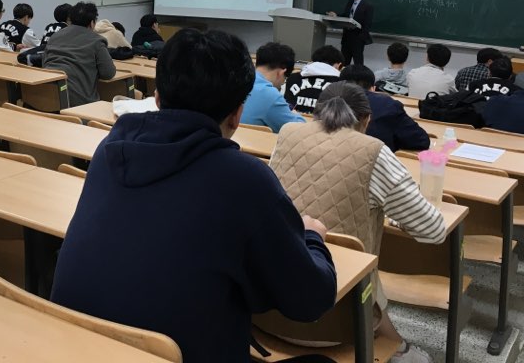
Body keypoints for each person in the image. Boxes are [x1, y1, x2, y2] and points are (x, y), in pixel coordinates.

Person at [51, 29, 337, 363]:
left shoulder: (110, 149)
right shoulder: (245, 179)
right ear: (237, 114)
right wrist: (312, 238)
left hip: (79, 348)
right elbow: (310, 301)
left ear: (158, 98)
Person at [269, 82, 444, 361]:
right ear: (366, 120)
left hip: (269, 309)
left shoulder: (287, 134)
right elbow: (433, 230)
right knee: (360, 267)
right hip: (340, 322)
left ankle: (397, 345)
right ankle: (401, 350)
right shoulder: (374, 151)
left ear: (315, 112)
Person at [340, 65, 430, 152]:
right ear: (373, 88)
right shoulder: (388, 105)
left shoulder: (332, 100)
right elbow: (421, 141)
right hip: (376, 159)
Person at [42, 2, 116, 106]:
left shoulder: (55, 36)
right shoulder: (97, 40)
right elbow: (108, 73)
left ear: (70, 20)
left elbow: (44, 63)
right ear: (92, 23)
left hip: (46, 97)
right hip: (79, 103)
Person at [242, 42, 305, 133]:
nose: (283, 83)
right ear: (281, 72)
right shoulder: (270, 95)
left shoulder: (237, 81)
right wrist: (294, 113)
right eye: (285, 78)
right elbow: (299, 130)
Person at [284, 45, 344, 113]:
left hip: (293, 118)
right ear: (339, 65)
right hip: (324, 119)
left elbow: (287, 107)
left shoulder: (293, 78)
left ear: (312, 61)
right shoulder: (341, 83)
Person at [327, 0, 373, 65]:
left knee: (358, 64)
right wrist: (336, 15)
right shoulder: (350, 2)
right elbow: (346, 16)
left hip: (358, 39)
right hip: (346, 38)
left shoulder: (367, 6)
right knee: (343, 63)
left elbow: (367, 25)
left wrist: (360, 39)